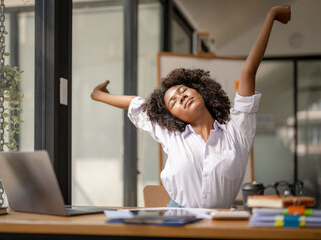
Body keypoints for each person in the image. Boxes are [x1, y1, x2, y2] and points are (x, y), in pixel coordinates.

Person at [90, 6, 291, 208]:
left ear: (199, 91)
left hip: (219, 224)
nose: (181, 97)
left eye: (182, 90)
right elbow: (136, 103)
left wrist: (270, 16)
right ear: (172, 116)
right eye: (173, 102)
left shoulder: (237, 131)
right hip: (177, 222)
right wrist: (98, 95)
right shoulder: (171, 134)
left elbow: (249, 71)